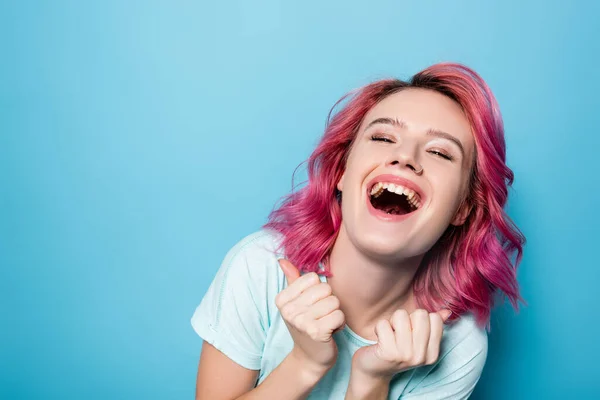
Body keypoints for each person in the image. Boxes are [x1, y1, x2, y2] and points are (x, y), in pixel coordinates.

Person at [191, 62, 525, 399]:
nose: (405, 156)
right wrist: (304, 363)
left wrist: (372, 381)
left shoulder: (457, 343)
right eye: (382, 137)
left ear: (463, 208)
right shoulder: (259, 266)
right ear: (343, 172)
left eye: (439, 152)